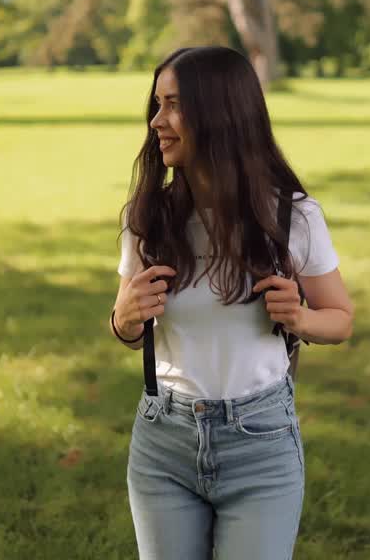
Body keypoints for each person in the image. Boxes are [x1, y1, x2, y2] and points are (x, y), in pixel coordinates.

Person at [110, 46, 355, 559]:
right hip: (164, 442)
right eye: (156, 104)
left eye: (173, 105)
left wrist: (301, 316)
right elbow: (126, 327)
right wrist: (125, 318)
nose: (157, 121)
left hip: (260, 444)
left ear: (220, 113)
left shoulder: (293, 218)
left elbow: (340, 320)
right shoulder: (147, 217)